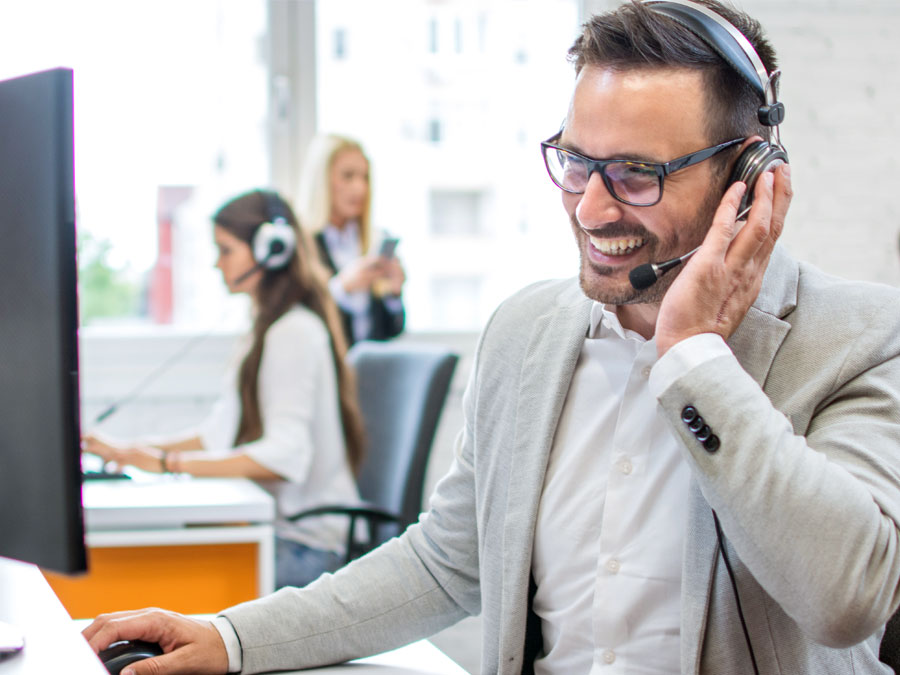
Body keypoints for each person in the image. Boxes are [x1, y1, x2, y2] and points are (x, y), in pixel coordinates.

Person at [82, 2, 900, 673]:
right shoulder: (527, 332)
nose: (590, 208)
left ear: (748, 178)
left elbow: (847, 596)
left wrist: (692, 356)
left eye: (637, 175)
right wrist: (232, 635)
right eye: (577, 162)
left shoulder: (857, 337)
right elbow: (448, 560)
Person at [83, 189, 366, 590]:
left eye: (226, 250)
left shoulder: (294, 333)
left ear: (272, 251)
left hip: (306, 549)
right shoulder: (265, 330)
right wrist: (133, 451)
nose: (217, 263)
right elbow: (219, 433)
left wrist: (168, 464)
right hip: (280, 534)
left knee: (162, 583)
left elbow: (284, 456)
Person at [295, 133, 406, 346]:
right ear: (322, 180)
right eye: (348, 176)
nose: (360, 188)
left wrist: (393, 292)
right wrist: (341, 288)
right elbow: (300, 324)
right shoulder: (301, 245)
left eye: (365, 178)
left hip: (370, 370)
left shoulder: (374, 240)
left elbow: (392, 330)